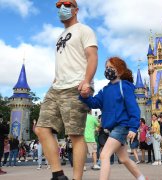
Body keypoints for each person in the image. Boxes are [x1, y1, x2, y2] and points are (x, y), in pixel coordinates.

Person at [34, 0, 98, 179]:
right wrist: (55, 79)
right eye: (59, 5)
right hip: (57, 87)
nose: (62, 8)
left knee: (75, 134)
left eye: (67, 4)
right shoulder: (59, 36)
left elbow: (92, 56)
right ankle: (58, 175)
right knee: (41, 129)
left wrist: (87, 81)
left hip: (76, 86)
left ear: (76, 10)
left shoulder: (85, 30)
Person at [79, 57, 146, 180]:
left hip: (122, 126)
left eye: (111, 68)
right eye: (106, 68)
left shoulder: (124, 87)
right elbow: (94, 103)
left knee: (104, 155)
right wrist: (84, 96)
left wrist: (133, 127)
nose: (107, 70)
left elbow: (133, 108)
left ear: (119, 71)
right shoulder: (105, 90)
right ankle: (142, 178)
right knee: (124, 158)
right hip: (112, 128)